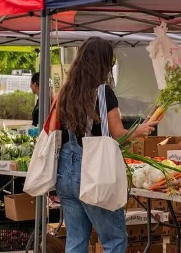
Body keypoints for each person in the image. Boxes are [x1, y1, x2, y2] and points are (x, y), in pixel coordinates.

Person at [53, 37, 158, 253]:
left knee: (76, 239)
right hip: (92, 173)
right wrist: (140, 129)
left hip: (65, 171)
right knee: (113, 240)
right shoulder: (103, 92)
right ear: (103, 63)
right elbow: (117, 134)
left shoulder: (65, 92)